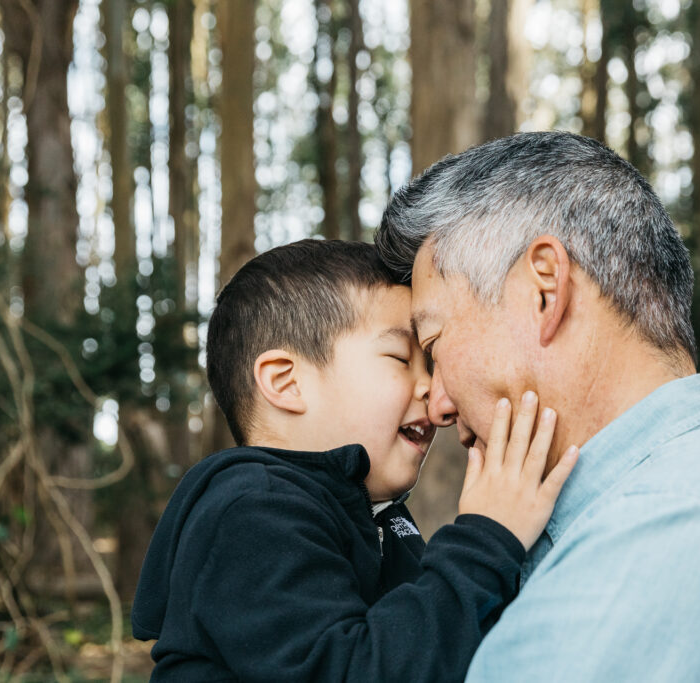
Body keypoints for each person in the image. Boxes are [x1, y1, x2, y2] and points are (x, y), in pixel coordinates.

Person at [375, 131, 700, 681]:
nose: (438, 407)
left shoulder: (665, 536)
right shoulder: (687, 509)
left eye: (432, 346)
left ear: (544, 291)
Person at [130, 239, 577, 682]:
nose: (434, 391)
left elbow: (434, 650)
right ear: (286, 382)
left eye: (431, 362)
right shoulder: (253, 511)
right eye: (402, 358)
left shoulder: (379, 518)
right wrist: (486, 540)